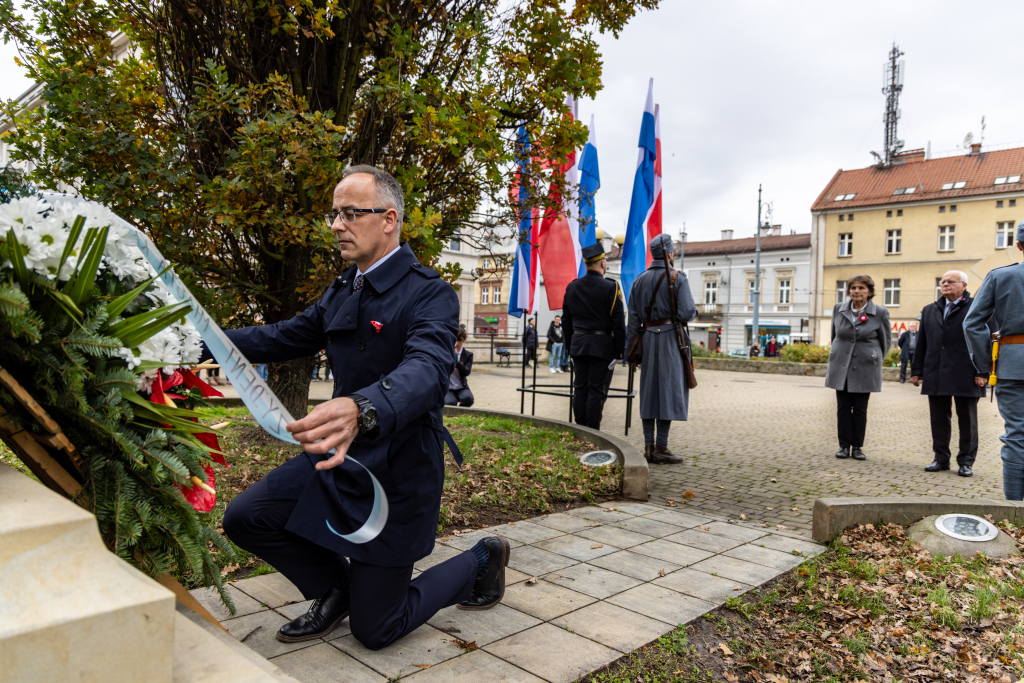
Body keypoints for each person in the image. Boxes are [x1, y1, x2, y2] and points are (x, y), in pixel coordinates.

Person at [217, 165, 509, 651]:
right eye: (335, 214)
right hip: (340, 458)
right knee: (246, 516)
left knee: (376, 631)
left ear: (389, 219)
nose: (337, 225)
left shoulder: (429, 293)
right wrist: (200, 339)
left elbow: (428, 368)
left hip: (398, 470)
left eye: (351, 213)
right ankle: (336, 589)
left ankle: (481, 560)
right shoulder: (344, 288)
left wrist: (361, 407)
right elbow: (281, 336)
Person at [965, 224, 1024, 501]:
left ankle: (1015, 508)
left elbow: (973, 323)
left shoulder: (1001, 276)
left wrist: (986, 361)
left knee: (1016, 434)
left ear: (1019, 245)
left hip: (1013, 364)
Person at [624, 234, 695, 464]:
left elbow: (633, 321)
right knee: (669, 392)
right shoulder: (677, 278)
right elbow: (686, 313)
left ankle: (648, 447)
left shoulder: (639, 280)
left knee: (649, 393)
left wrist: (630, 351)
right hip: (670, 340)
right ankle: (661, 447)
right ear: (670, 253)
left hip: (647, 340)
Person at [910, 271, 986, 478]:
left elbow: (985, 342)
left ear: (964, 285)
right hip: (937, 371)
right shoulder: (929, 310)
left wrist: (983, 371)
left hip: (967, 372)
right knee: (938, 420)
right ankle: (940, 459)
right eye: (942, 282)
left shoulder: (977, 307)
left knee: (967, 420)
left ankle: (966, 462)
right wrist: (916, 371)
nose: (945, 285)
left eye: (950, 282)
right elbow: (921, 343)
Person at [824, 274, 891, 460]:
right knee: (843, 408)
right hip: (841, 366)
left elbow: (885, 343)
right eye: (853, 288)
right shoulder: (839, 309)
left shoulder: (880, 312)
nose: (856, 291)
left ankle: (858, 447)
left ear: (869, 291)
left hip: (865, 367)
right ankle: (844, 446)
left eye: (861, 288)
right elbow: (835, 335)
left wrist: (874, 358)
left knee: (860, 409)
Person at [562, 242, 626, 430]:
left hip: (579, 346)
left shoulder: (572, 287)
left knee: (580, 389)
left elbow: (566, 321)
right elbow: (618, 324)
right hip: (602, 347)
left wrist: (570, 347)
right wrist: (619, 353)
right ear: (603, 263)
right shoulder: (611, 287)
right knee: (597, 391)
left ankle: (580, 429)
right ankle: (592, 432)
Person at [445, 326, 475, 407]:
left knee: (468, 399)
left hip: (461, 387)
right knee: (450, 403)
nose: (456, 343)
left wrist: (456, 360)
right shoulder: (446, 352)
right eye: (455, 340)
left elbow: (466, 372)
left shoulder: (468, 355)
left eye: (459, 340)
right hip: (448, 388)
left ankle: (461, 412)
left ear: (464, 340)